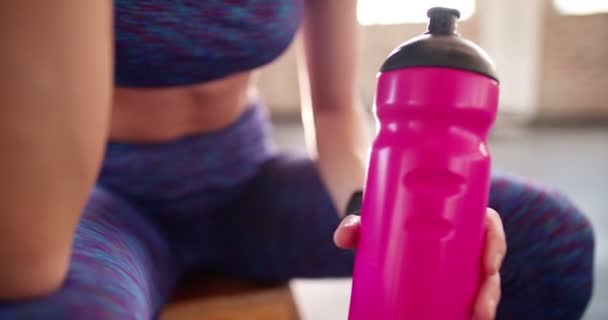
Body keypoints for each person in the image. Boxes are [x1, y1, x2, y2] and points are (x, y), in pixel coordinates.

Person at [0, 1, 594, 319]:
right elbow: (25, 260)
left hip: (246, 182)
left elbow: (336, 114)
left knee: (549, 239)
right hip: (104, 199)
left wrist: (376, 214)